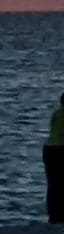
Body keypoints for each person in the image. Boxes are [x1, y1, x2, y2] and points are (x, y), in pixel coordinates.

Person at [46, 91, 64, 224]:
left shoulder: (57, 113)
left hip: (50, 149)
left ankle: (54, 215)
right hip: (62, 150)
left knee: (53, 185)